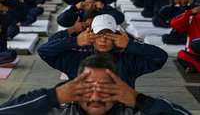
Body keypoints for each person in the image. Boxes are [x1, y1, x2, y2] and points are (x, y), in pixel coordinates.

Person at [0, 54, 192, 115]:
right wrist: (52, 96)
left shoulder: (133, 110)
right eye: (88, 86)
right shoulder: (60, 109)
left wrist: (141, 101)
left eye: (106, 88)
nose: (96, 96)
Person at [38, 14, 168, 89]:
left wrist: (130, 44)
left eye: (108, 34)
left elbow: (160, 57)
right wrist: (74, 41)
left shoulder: (127, 58)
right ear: (90, 35)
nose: (103, 39)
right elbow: (43, 51)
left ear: (116, 36)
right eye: (99, 34)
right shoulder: (79, 57)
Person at [57, 0, 124, 27]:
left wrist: (105, 7)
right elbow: (61, 21)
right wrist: (74, 8)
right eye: (87, 3)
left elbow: (120, 19)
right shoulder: (78, 16)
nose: (90, 5)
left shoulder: (103, 15)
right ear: (83, 5)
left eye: (93, 3)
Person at [171, 4, 200, 73]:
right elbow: (174, 23)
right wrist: (190, 12)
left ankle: (195, 67)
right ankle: (196, 67)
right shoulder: (191, 19)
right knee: (181, 54)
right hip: (195, 55)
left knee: (195, 43)